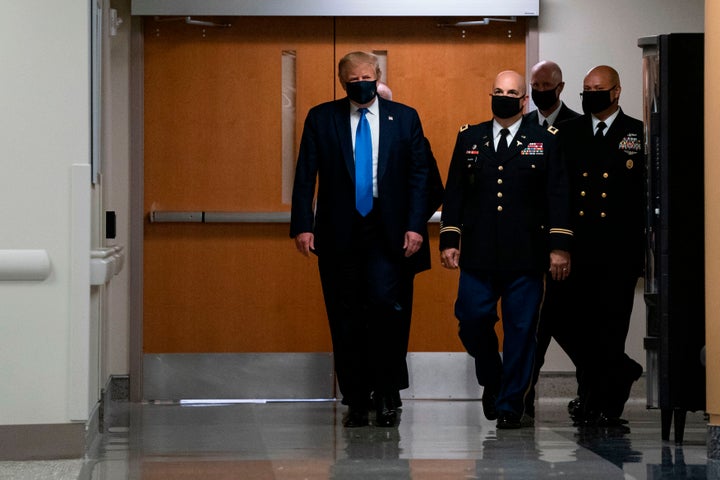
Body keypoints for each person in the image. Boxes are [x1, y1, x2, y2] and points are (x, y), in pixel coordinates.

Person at [290, 51, 435, 428]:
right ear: (343, 82)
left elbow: (421, 176)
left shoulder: (404, 118)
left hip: (387, 233)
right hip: (339, 233)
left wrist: (416, 225)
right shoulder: (322, 118)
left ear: (378, 75)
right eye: (354, 80)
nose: (362, 84)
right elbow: (306, 173)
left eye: (368, 77)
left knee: (386, 310)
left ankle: (387, 392)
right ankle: (356, 397)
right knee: (346, 315)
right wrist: (303, 224)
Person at [439, 70, 573, 429]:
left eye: (511, 92)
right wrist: (450, 239)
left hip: (526, 254)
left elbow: (558, 195)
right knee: (470, 319)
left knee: (520, 330)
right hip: (479, 253)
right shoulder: (470, 137)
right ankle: (492, 376)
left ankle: (511, 403)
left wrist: (559, 247)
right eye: (497, 91)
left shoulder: (544, 138)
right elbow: (455, 193)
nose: (504, 97)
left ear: (523, 99)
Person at [554, 65, 644, 426]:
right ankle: (621, 372)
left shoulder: (636, 132)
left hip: (618, 252)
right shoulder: (569, 131)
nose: (592, 93)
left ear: (616, 91)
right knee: (567, 320)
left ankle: (600, 401)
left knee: (610, 327)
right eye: (586, 88)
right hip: (578, 248)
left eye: (599, 88)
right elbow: (559, 189)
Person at [525, 60, 582, 419]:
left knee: (571, 323)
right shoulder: (523, 126)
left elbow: (573, 191)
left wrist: (563, 245)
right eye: (535, 84)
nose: (539, 91)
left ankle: (598, 388)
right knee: (534, 327)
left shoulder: (577, 126)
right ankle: (522, 397)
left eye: (546, 84)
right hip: (528, 247)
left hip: (568, 246)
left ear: (560, 88)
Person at [525, 60, 581, 127]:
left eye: (546, 85)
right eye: (536, 85)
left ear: (560, 87)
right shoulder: (522, 124)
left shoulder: (578, 124)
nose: (541, 90)